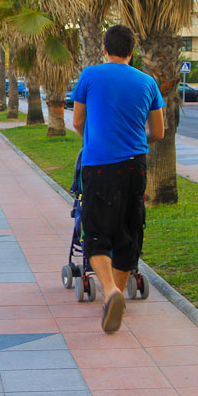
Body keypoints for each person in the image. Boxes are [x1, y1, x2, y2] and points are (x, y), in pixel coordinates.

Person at [72, 24, 165, 333]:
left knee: (97, 229)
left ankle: (111, 291)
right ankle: (118, 297)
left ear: (104, 49)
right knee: (129, 229)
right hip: (135, 166)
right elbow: (159, 132)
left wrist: (97, 137)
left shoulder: (89, 75)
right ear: (132, 51)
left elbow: (77, 121)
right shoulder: (148, 81)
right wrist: (135, 140)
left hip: (98, 164)